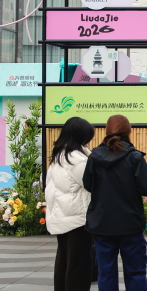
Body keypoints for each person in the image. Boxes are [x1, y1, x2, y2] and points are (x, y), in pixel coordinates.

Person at [83, 115, 147, 290]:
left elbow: (88, 185)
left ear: (106, 131)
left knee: (106, 273)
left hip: (102, 223)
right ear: (128, 131)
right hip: (130, 224)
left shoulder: (94, 157)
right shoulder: (135, 157)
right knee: (136, 272)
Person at [46, 117, 95, 291]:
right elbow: (91, 183)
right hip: (77, 219)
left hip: (62, 217)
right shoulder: (77, 159)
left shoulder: (59, 155)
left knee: (64, 263)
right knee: (79, 268)